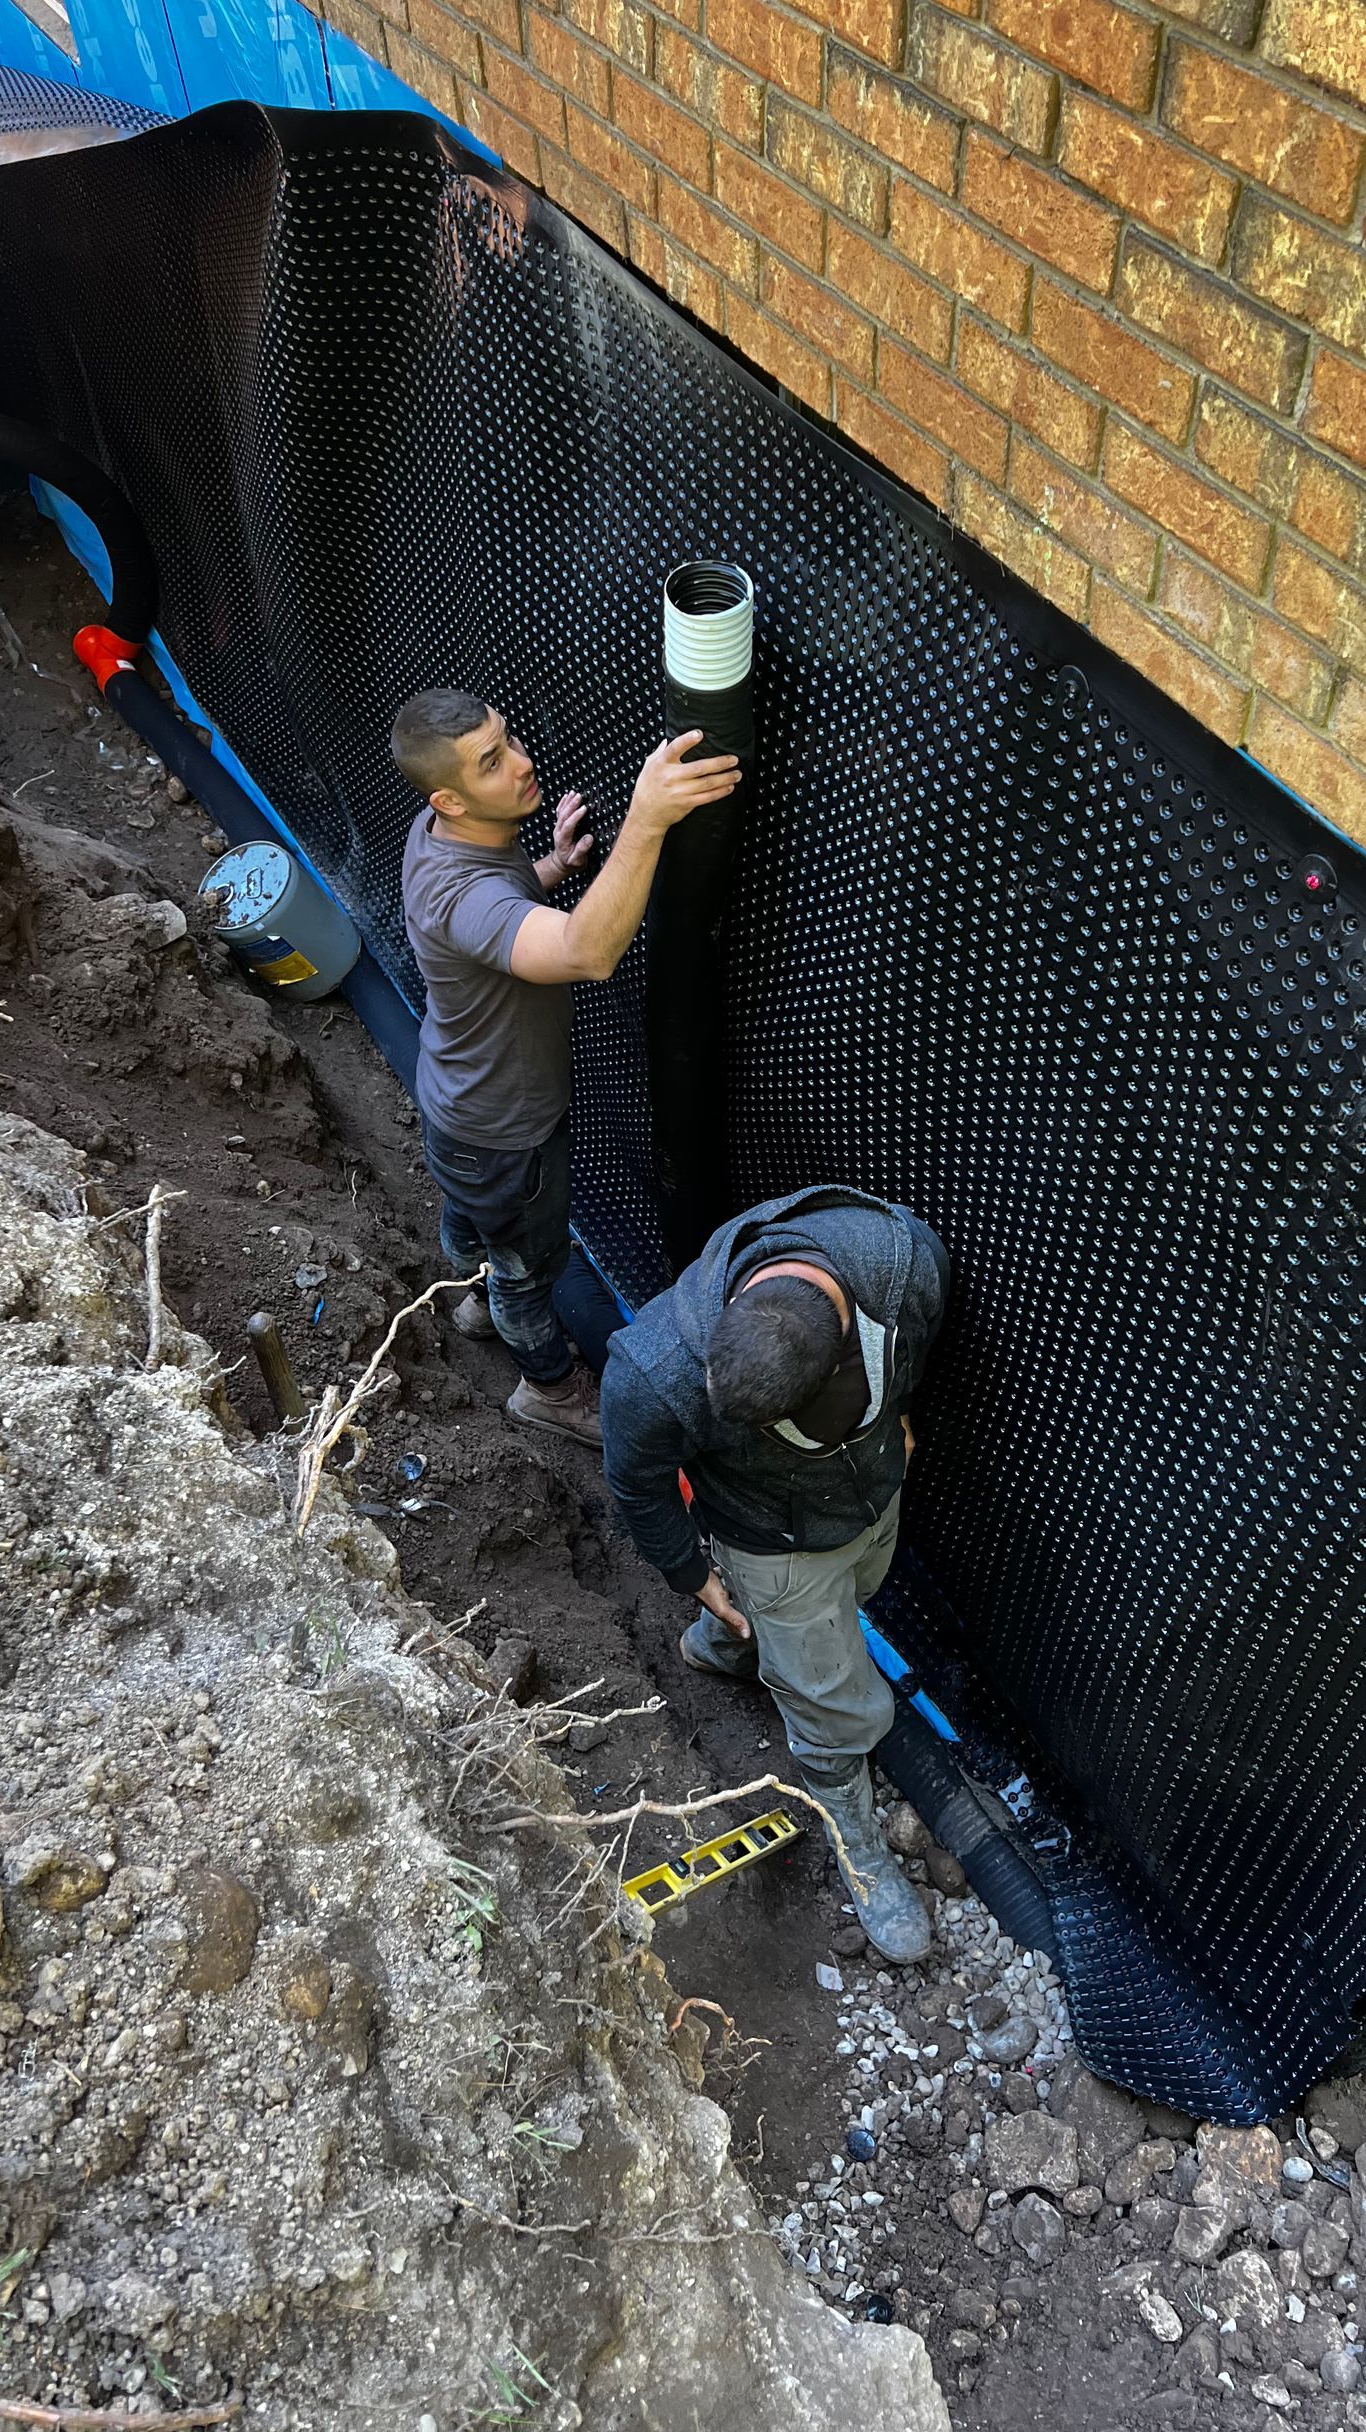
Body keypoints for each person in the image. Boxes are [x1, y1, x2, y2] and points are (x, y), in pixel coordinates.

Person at [599, 1186, 951, 1961]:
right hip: (773, 1539)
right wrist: (694, 1572)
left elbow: (918, 1343)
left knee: (854, 1590)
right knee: (830, 1699)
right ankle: (852, 1832)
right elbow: (637, 1485)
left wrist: (895, 1413)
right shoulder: (658, 1371)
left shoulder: (897, 1262)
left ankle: (727, 1642)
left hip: (869, 1498)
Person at [394, 686, 739, 1446]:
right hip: (505, 1132)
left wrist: (551, 866)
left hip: (457, 1105)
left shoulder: (444, 832)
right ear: (449, 798)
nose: (521, 764)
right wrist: (646, 819)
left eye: (509, 739)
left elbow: (499, 916)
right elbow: (588, 950)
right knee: (529, 1271)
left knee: (474, 1219)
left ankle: (473, 1297)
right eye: (493, 762)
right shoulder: (462, 894)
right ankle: (545, 1387)